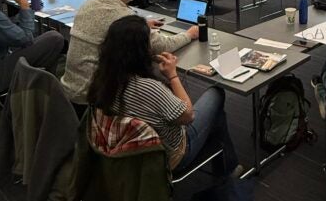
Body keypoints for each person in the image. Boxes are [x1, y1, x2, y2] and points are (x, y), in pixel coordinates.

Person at [87, 16, 239, 175]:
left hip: (123, 150)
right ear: (142, 50)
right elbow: (188, 116)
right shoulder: (149, 88)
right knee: (216, 94)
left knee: (214, 119)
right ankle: (228, 168)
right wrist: (173, 76)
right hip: (169, 156)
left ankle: (226, 162)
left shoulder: (102, 79)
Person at [61, 0, 199, 108]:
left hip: (69, 87)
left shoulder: (88, 4)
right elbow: (161, 46)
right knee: (158, 77)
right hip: (93, 95)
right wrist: (189, 34)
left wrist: (140, 25)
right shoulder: (122, 15)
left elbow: (106, 25)